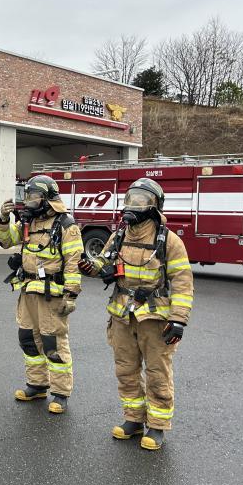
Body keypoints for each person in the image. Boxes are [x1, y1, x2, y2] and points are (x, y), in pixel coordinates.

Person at [78, 178, 193, 451]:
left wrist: (178, 319)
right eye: (131, 199)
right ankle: (133, 420)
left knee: (157, 372)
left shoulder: (168, 241)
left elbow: (182, 281)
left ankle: (157, 426)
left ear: (154, 206)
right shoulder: (119, 235)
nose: (133, 205)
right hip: (121, 315)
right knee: (126, 370)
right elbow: (103, 263)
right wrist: (90, 267)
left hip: (154, 320)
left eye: (141, 201)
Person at [0, 175, 82, 414]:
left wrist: (71, 295)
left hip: (51, 295)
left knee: (53, 343)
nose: (29, 202)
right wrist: (2, 219)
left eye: (33, 197)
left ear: (47, 198)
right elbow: (4, 241)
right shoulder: (28, 222)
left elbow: (74, 261)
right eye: (27, 197)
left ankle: (61, 393)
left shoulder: (65, 225)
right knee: (28, 339)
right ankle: (37, 385)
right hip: (28, 291)